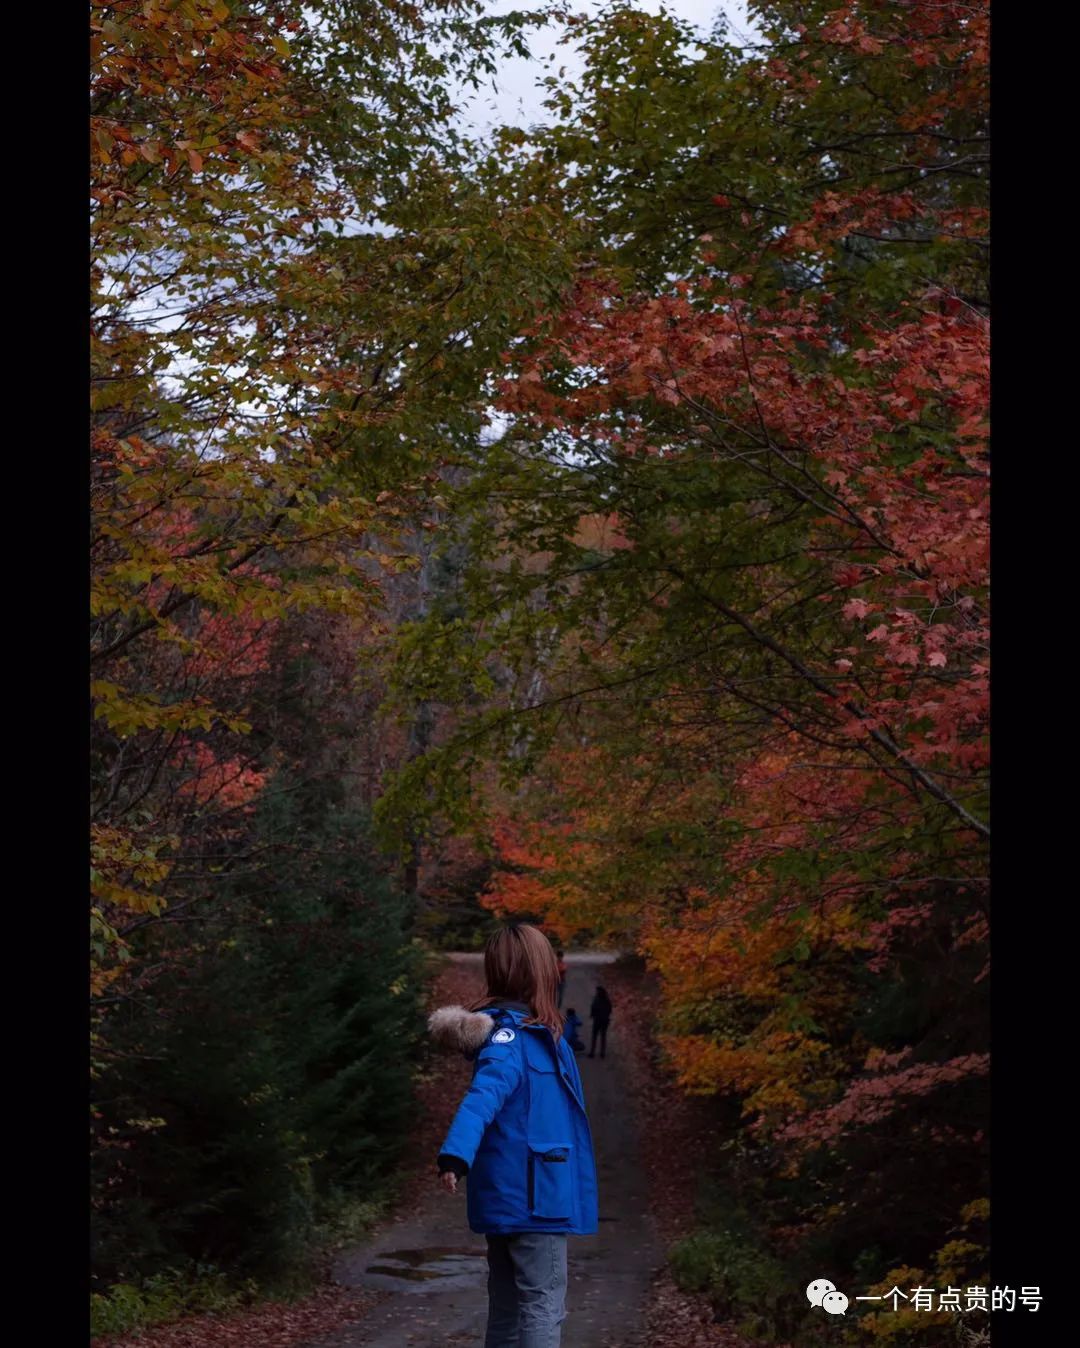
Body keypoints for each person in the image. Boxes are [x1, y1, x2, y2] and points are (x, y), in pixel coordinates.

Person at [430, 923, 598, 1348]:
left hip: (514, 1197)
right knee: (544, 1305)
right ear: (536, 973)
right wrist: (455, 1154)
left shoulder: (533, 1033)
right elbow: (481, 1096)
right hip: (535, 1201)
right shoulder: (512, 1038)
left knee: (507, 1309)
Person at [588, 985, 613, 1059]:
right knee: (603, 1036)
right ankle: (602, 1053)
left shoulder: (597, 999)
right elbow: (610, 1010)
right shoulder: (607, 1000)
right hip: (604, 1020)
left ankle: (593, 1052)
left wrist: (592, 1015)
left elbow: (593, 1008)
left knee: (595, 1036)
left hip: (598, 1020)